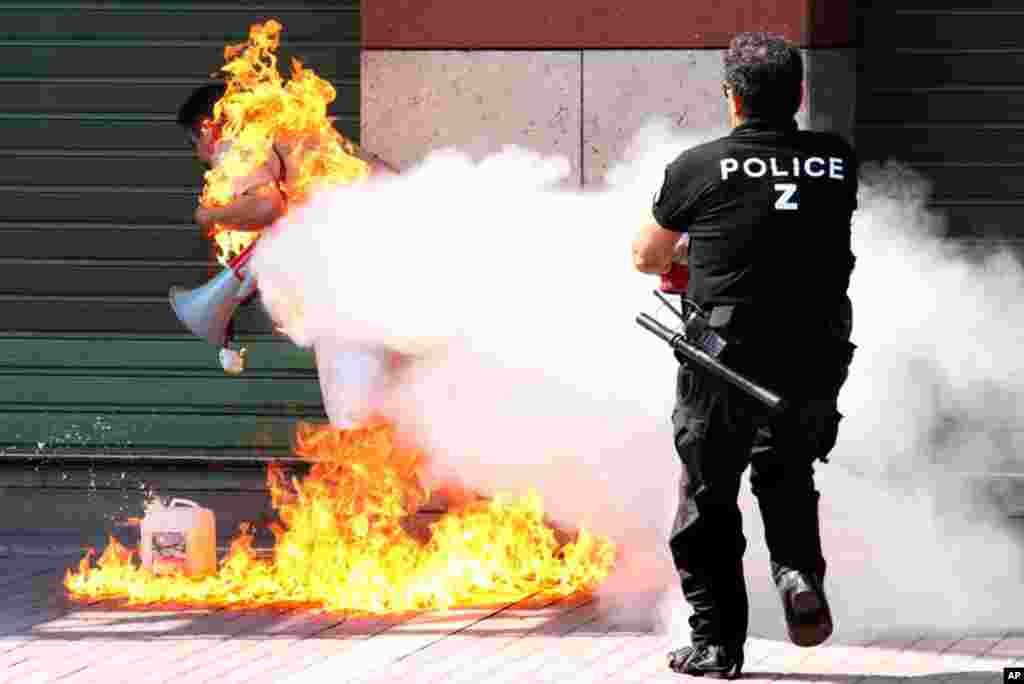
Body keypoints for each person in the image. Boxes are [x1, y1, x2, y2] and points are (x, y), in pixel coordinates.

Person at [631, 32, 857, 678]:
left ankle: (717, 643)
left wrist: (693, 253)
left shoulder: (698, 166)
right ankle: (796, 574)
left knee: (708, 497)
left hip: (722, 358)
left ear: (732, 98)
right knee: (786, 473)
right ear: (800, 94)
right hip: (814, 354)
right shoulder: (836, 161)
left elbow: (646, 256)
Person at [176, 83, 400, 427]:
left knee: (355, 407)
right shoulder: (294, 128)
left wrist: (210, 216)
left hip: (354, 272)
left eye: (195, 144)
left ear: (208, 128)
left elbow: (265, 204)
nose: (201, 157)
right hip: (405, 251)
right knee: (408, 393)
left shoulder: (237, 140)